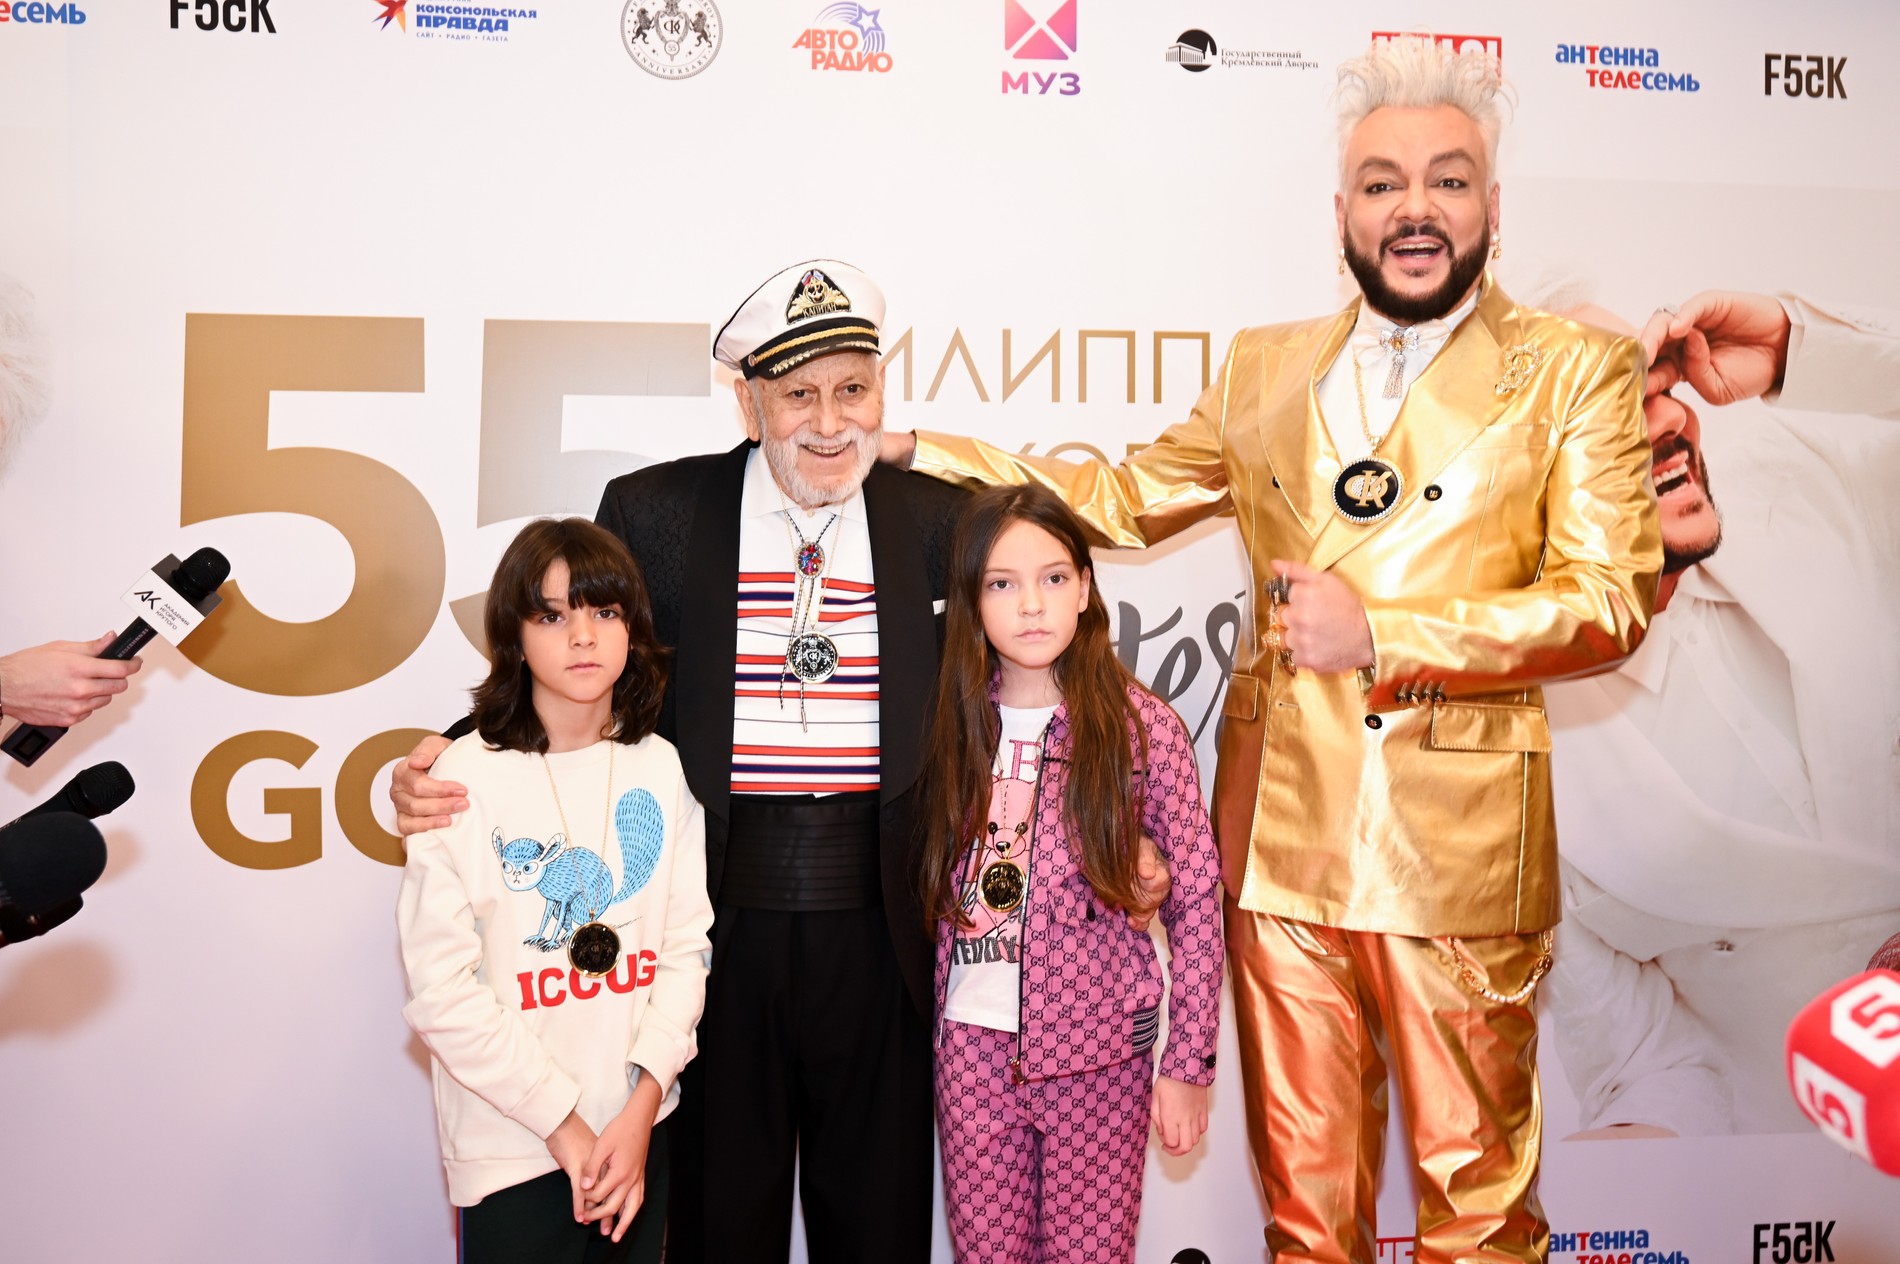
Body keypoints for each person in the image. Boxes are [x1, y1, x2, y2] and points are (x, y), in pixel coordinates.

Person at [882, 38, 1661, 1263]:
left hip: (1456, 853)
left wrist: (1384, 634)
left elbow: (1611, 596)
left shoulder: (1576, 371)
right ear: (1341, 210)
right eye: (1383, 183)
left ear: (1493, 207)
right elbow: (1123, 496)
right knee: (1303, 1214)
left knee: (1477, 1213)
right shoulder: (1264, 365)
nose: (1414, 208)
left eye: (1448, 180)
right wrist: (926, 453)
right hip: (1278, 848)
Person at [391, 261, 1163, 1262]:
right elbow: (580, 664)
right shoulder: (657, 510)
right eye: (799, 394)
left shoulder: (941, 516)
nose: (830, 423)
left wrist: (1129, 811)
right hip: (714, 923)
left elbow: (1043, 629)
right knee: (721, 1222)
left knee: (876, 1225)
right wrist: (446, 756)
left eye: (854, 389)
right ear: (750, 403)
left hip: (885, 923)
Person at [1541, 290, 1900, 1137]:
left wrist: (1796, 350)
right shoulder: (1519, 774)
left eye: (1659, 385)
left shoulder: (1805, 484)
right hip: (1831, 1166)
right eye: (1610, 409)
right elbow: (1648, 1068)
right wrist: (1632, 1167)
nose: (1668, 420)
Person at [918, 484, 1222, 1262]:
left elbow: (1196, 901)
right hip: (971, 1055)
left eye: (1054, 578)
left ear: (1086, 588)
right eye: (1002, 583)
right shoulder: (948, 724)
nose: (1032, 605)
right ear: (971, 600)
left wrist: (1188, 1063)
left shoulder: (1142, 730)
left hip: (1100, 1058)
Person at [397, 516, 713, 1264]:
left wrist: (640, 1111)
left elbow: (685, 950)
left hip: (637, 1136)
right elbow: (442, 992)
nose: (582, 637)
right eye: (551, 616)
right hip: (513, 1143)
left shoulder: (660, 766)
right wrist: (563, 1125)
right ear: (514, 634)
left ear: (633, 629)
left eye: (605, 612)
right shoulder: (460, 777)